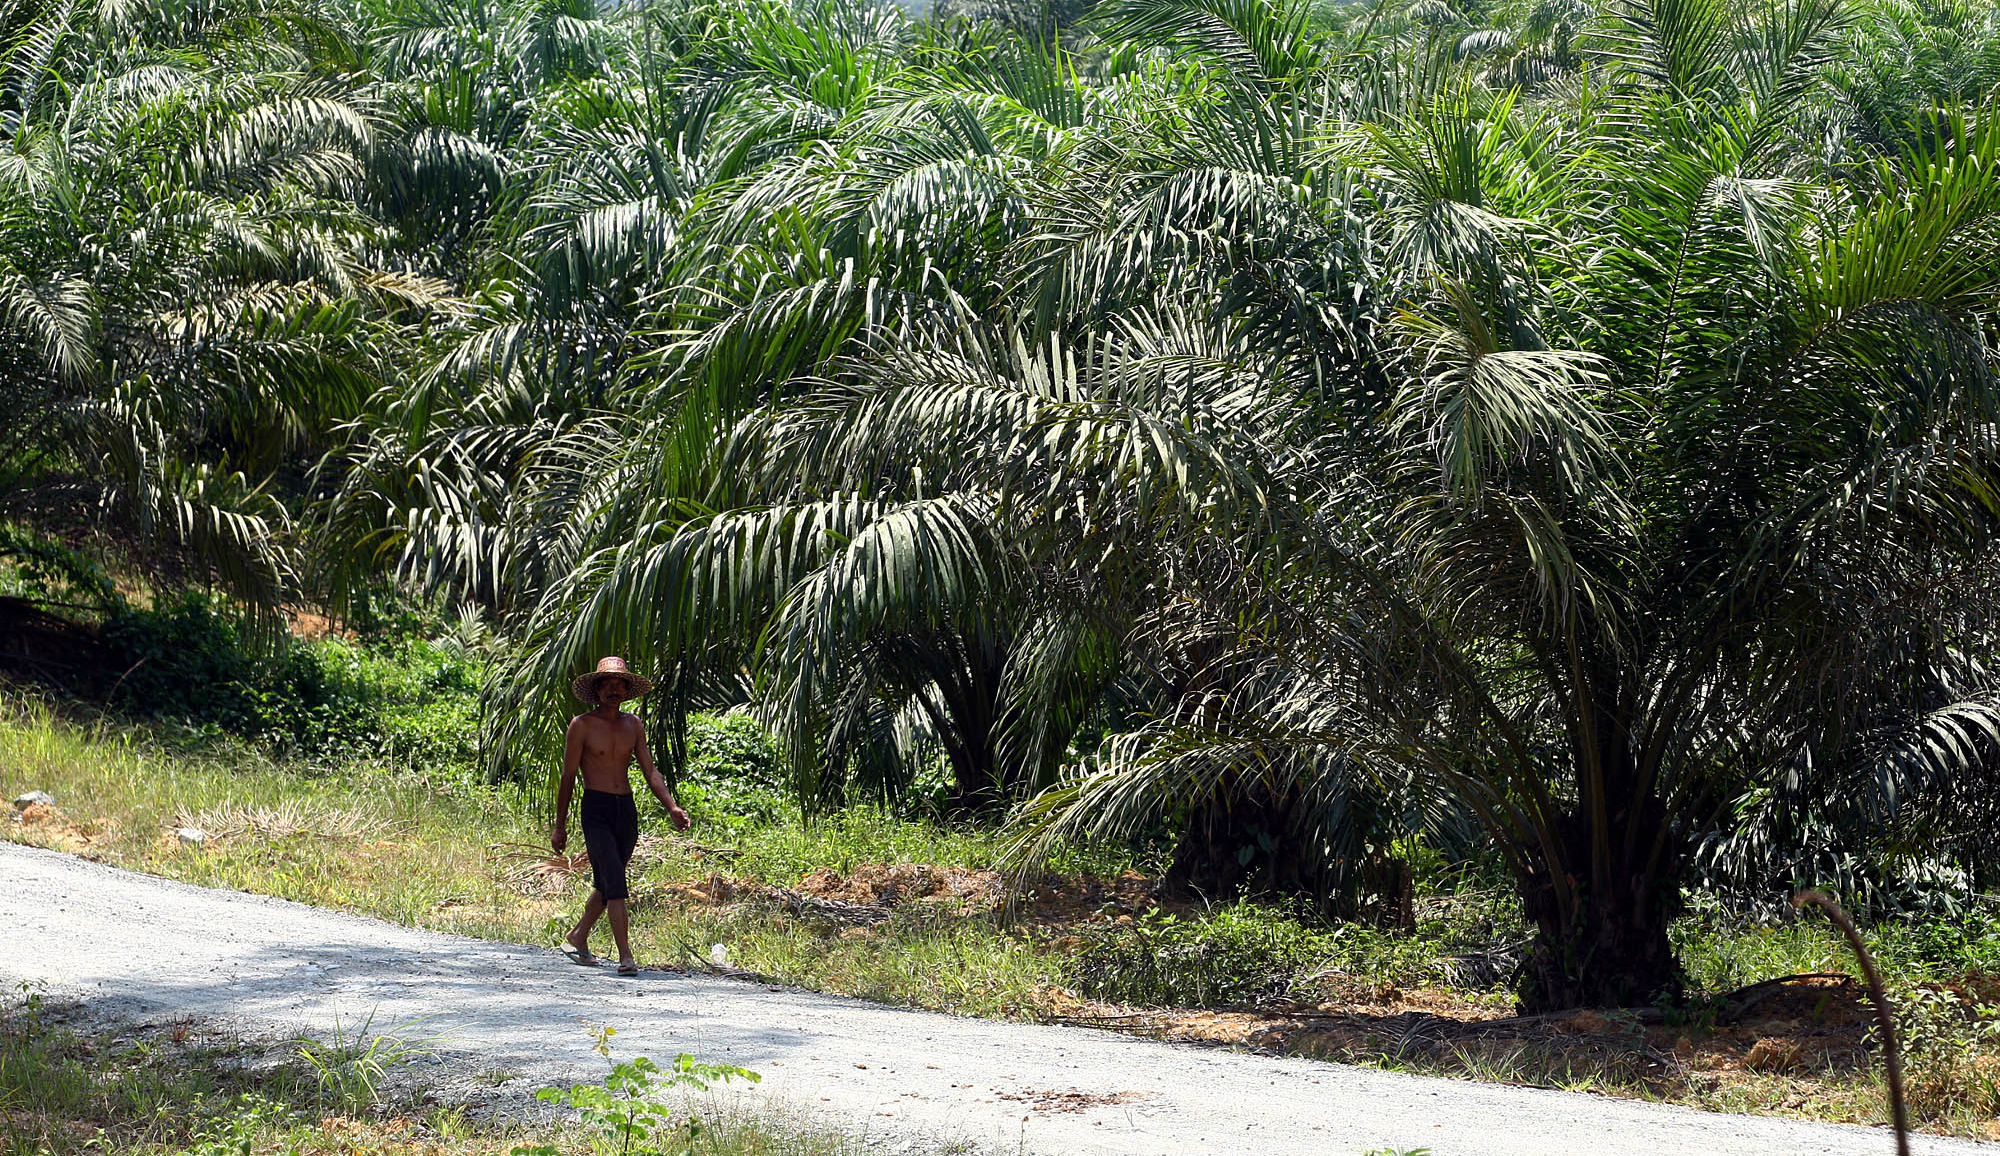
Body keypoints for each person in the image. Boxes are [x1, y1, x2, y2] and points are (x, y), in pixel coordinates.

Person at [552, 656, 690, 977]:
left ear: (627, 690)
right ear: (597, 689)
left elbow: (650, 770)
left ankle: (577, 936)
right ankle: (626, 956)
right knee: (615, 881)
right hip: (596, 808)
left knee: (607, 882)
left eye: (619, 684)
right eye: (608, 683)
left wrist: (672, 807)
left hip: (625, 810)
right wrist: (560, 826)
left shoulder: (633, 725)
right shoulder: (582, 725)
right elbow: (568, 777)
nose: (614, 689)